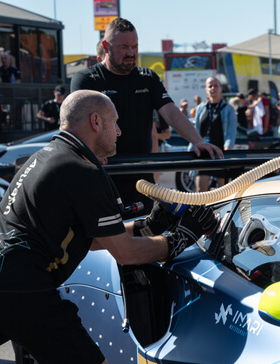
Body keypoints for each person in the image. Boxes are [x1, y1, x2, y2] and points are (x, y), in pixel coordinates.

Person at [0, 89, 218, 364]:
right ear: (96, 122)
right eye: (115, 122)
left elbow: (94, 235)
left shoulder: (47, 157)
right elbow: (123, 252)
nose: (121, 131)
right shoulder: (85, 171)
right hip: (21, 287)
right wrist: (178, 240)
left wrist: (150, 226)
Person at [70, 17, 222, 216]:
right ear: (105, 46)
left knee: (143, 236)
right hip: (103, 175)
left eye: (134, 46)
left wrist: (197, 141)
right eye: (124, 47)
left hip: (142, 180)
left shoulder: (147, 78)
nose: (131, 53)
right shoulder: (86, 80)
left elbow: (170, 112)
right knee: (105, 242)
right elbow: (74, 125)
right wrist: (90, 152)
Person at [193, 76, 238, 192]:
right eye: (210, 86)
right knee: (200, 192)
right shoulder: (200, 108)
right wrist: (191, 146)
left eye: (216, 86)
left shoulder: (228, 109)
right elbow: (196, 129)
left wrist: (227, 148)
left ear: (220, 88)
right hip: (203, 154)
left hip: (220, 154)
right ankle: (202, 211)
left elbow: (231, 132)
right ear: (206, 90)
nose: (213, 88)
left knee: (223, 193)